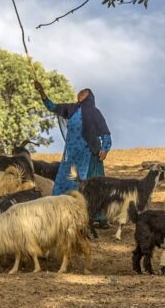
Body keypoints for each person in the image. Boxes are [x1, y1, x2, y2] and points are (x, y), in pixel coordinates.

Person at [34, 81, 112, 228]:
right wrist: (41, 92)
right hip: (71, 156)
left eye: (84, 92)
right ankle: (61, 212)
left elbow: (105, 133)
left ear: (89, 97)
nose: (80, 92)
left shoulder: (95, 113)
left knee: (88, 186)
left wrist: (105, 148)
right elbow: (52, 107)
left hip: (89, 155)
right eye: (80, 91)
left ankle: (95, 217)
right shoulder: (71, 109)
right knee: (65, 183)